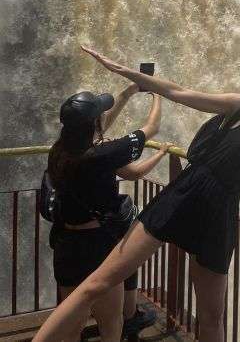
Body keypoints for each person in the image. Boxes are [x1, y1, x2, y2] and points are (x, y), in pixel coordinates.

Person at [33, 46, 240, 342]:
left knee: (212, 316)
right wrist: (122, 70)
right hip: (186, 194)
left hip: (221, 213)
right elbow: (179, 92)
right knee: (98, 283)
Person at [48, 85, 172, 342]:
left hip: (66, 243)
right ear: (94, 124)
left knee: (72, 322)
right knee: (111, 322)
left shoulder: (59, 151)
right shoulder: (101, 155)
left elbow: (97, 130)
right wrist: (158, 94)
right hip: (98, 246)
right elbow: (152, 128)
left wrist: (127, 93)